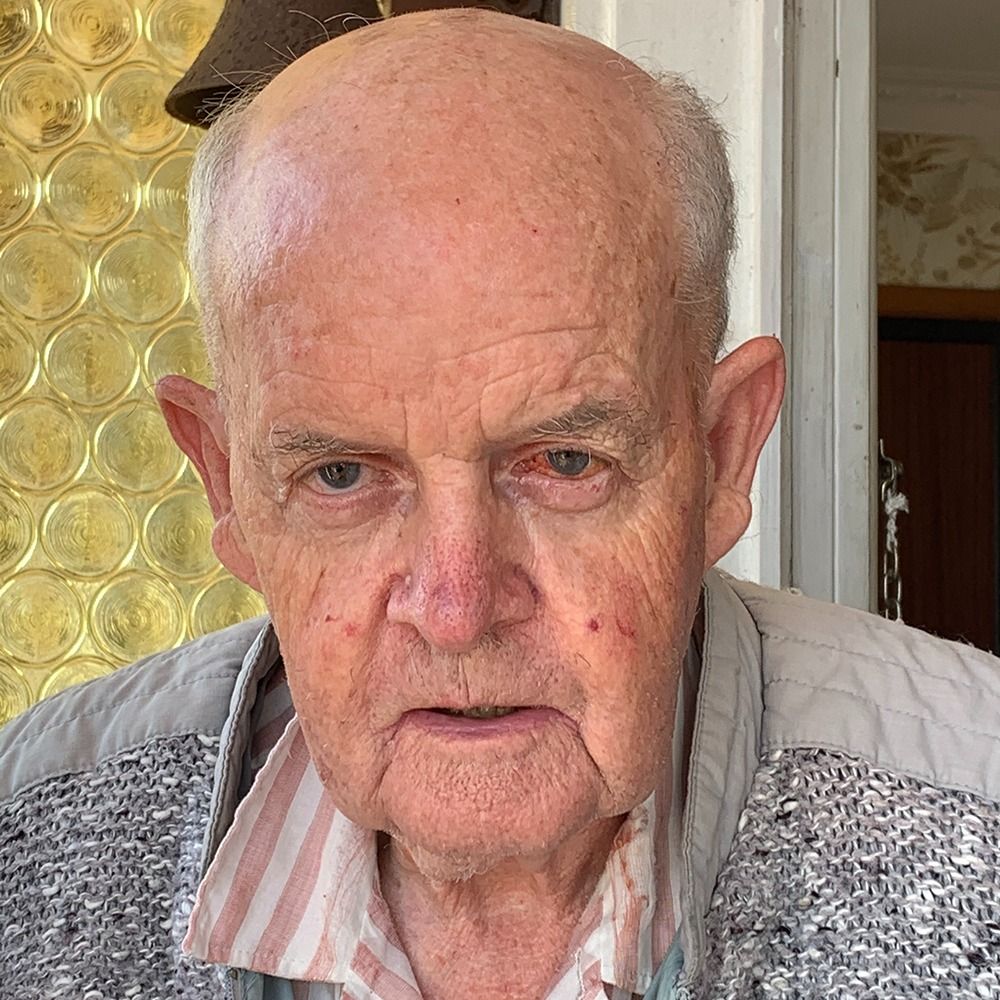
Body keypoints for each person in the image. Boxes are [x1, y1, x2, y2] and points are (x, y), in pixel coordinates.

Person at [2, 9, 998, 1000]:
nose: (457, 609)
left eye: (564, 462)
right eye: (342, 474)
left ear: (722, 449)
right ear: (226, 482)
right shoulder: (25, 848)